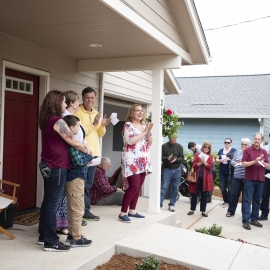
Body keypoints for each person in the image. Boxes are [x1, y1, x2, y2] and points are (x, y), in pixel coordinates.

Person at [38, 90, 87, 252]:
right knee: (52, 203)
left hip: (47, 164)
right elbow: (72, 140)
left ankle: (43, 236)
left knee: (48, 202)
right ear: (56, 102)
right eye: (64, 102)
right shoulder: (57, 120)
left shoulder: (46, 120)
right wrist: (85, 149)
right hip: (56, 166)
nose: (65, 105)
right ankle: (51, 242)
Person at [76, 87, 111, 221]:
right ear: (83, 98)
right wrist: (94, 123)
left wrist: (102, 125)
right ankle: (79, 212)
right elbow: (80, 133)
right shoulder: (78, 113)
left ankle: (85, 211)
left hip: (95, 154)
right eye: (87, 97)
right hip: (82, 154)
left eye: (92, 97)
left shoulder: (96, 112)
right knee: (80, 184)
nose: (90, 100)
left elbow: (100, 134)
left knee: (88, 184)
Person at [119, 104, 153, 223]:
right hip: (132, 160)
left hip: (143, 160)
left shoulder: (144, 126)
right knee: (133, 186)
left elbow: (150, 142)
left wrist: (148, 132)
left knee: (138, 187)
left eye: (141, 111)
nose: (140, 112)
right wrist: (144, 132)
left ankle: (132, 210)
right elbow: (130, 141)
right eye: (137, 110)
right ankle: (123, 212)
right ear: (132, 113)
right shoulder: (128, 125)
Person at [63, 115, 92, 247]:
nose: (79, 129)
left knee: (72, 207)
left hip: (75, 177)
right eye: (78, 126)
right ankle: (76, 238)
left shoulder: (73, 140)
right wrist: (89, 157)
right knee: (77, 208)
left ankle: (71, 234)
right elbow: (78, 161)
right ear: (71, 127)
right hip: (76, 178)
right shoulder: (71, 143)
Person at [63, 90, 88, 227]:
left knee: (77, 202)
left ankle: (73, 229)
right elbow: (72, 141)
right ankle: (74, 235)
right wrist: (87, 152)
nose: (80, 103)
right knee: (75, 204)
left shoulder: (73, 117)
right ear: (72, 103)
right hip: (75, 166)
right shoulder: (66, 120)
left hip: (80, 162)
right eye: (78, 100)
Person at [242, 133, 269, 230]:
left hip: (261, 179)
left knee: (257, 201)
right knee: (247, 200)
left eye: (259, 139)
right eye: (255, 138)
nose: (257, 140)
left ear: (261, 141)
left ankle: (253, 219)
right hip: (249, 179)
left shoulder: (264, 152)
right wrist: (254, 161)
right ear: (253, 139)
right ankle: (245, 221)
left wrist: (264, 164)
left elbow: (267, 165)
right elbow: (243, 164)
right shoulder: (247, 150)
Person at [187, 142, 214, 217]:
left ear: (209, 149)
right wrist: (200, 163)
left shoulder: (210, 156)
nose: (206, 148)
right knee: (194, 193)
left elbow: (210, 166)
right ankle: (192, 209)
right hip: (197, 177)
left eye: (208, 147)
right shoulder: (197, 154)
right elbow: (194, 164)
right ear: (203, 147)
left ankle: (203, 211)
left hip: (205, 178)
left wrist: (204, 162)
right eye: (205, 146)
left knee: (204, 194)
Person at [226, 138, 251, 217]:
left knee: (245, 197)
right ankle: (230, 211)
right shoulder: (237, 153)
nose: (243, 146)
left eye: (245, 144)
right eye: (242, 144)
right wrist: (237, 162)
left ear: (249, 145)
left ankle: (245, 213)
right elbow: (232, 162)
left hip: (246, 178)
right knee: (234, 195)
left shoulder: (250, 153)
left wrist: (244, 162)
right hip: (236, 177)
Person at [160, 134, 184, 212]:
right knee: (164, 187)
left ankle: (172, 205)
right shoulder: (164, 146)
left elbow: (182, 158)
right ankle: (159, 204)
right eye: (173, 138)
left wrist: (176, 160)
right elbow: (160, 157)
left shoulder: (179, 146)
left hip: (177, 170)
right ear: (169, 138)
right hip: (167, 169)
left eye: (175, 138)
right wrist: (167, 158)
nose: (175, 139)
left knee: (175, 188)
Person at [216, 138, 237, 207]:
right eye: (225, 142)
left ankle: (228, 202)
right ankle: (225, 201)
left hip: (230, 171)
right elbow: (216, 159)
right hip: (222, 171)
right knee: (222, 187)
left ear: (231, 143)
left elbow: (236, 159)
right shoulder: (221, 150)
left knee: (230, 187)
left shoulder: (234, 150)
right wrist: (220, 160)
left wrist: (229, 159)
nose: (227, 144)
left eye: (228, 142)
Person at [259, 133, 270, 221]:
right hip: (267, 172)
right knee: (265, 194)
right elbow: (261, 160)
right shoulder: (265, 148)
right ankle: (264, 214)